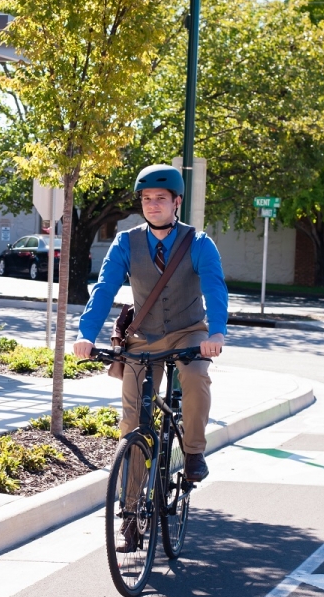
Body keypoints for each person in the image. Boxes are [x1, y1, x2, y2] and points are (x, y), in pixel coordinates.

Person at [73, 163, 228, 491]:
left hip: (190, 332)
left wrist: (215, 333)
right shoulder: (126, 243)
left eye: (160, 197)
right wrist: (86, 335)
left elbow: (215, 289)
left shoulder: (199, 243)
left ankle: (193, 453)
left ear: (177, 202)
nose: (152, 204)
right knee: (131, 423)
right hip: (143, 337)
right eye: (146, 198)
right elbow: (104, 289)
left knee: (196, 376)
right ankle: (130, 512)